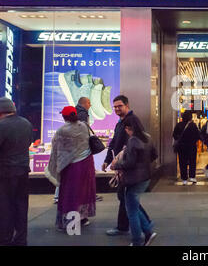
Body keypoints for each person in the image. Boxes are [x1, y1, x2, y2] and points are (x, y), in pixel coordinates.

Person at [102, 95, 150, 236]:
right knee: (126, 197)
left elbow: (139, 142)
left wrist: (123, 163)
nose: (117, 109)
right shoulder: (120, 122)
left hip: (129, 167)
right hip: (123, 165)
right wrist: (107, 159)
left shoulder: (132, 120)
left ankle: (142, 225)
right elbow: (114, 142)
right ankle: (127, 225)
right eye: (115, 106)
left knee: (127, 197)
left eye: (119, 106)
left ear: (127, 105)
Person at [111, 115, 158, 246]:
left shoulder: (133, 141)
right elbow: (154, 155)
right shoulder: (147, 137)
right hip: (145, 178)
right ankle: (148, 231)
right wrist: (143, 164)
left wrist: (116, 165)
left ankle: (137, 240)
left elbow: (130, 163)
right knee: (134, 206)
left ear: (128, 128)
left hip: (133, 180)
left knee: (131, 211)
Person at [47, 106, 96, 231]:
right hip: (87, 163)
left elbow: (58, 149)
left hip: (73, 166)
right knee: (83, 192)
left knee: (70, 193)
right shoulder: (84, 126)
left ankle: (70, 224)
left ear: (64, 117)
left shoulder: (62, 131)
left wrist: (56, 165)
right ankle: (83, 218)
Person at [0, 97, 33, 246]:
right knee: (21, 205)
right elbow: (28, 143)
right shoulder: (26, 123)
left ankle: (5, 239)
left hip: (5, 171)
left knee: (5, 206)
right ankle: (21, 239)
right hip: (23, 170)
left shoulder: (2, 125)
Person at [173, 110, 201, 185]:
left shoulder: (179, 125)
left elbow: (174, 135)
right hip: (191, 147)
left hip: (182, 147)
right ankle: (192, 176)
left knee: (182, 162)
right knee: (192, 162)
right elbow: (198, 135)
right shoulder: (193, 125)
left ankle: (184, 179)